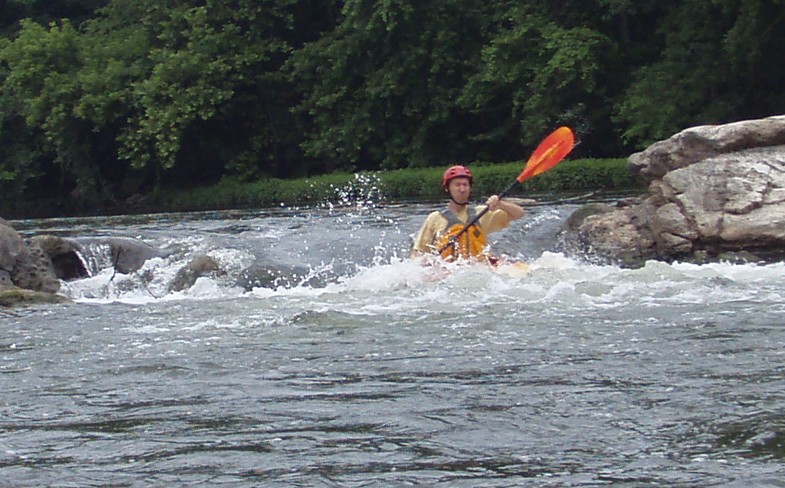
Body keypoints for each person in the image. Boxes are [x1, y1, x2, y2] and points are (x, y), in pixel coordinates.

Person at [410, 165, 525, 262]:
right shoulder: (435, 218)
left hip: (477, 269)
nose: (462, 189)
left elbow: (519, 214)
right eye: (457, 185)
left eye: (465, 185)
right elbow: (417, 254)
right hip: (449, 271)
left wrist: (501, 204)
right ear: (447, 189)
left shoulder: (482, 213)